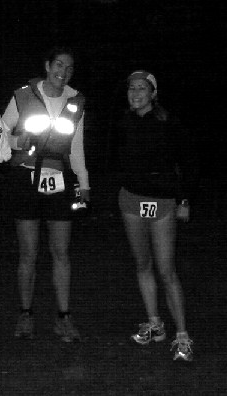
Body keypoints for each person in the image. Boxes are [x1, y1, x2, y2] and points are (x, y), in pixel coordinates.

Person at [1, 46, 90, 342]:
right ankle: (25, 314)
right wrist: (17, 141)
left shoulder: (75, 101)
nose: (63, 72)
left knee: (61, 252)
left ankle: (63, 317)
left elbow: (76, 147)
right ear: (47, 65)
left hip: (60, 180)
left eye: (69, 68)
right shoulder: (23, 95)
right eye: (58, 65)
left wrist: (84, 183)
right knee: (28, 252)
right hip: (25, 179)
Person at [116, 70, 194, 361]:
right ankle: (155, 323)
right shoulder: (124, 121)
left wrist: (184, 199)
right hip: (131, 200)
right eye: (131, 88)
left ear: (153, 93)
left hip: (161, 203)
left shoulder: (169, 123)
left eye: (142, 89)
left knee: (166, 269)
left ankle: (182, 335)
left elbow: (188, 162)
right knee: (142, 263)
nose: (135, 94)